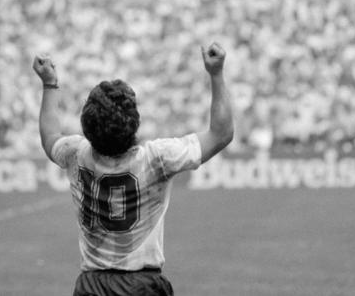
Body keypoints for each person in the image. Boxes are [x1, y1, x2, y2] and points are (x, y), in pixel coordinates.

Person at [32, 42, 234, 296]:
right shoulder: (156, 158)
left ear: (87, 123)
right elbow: (221, 134)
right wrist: (216, 74)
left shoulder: (76, 153)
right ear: (134, 123)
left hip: (91, 286)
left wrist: (49, 83)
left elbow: (49, 135)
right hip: (142, 286)